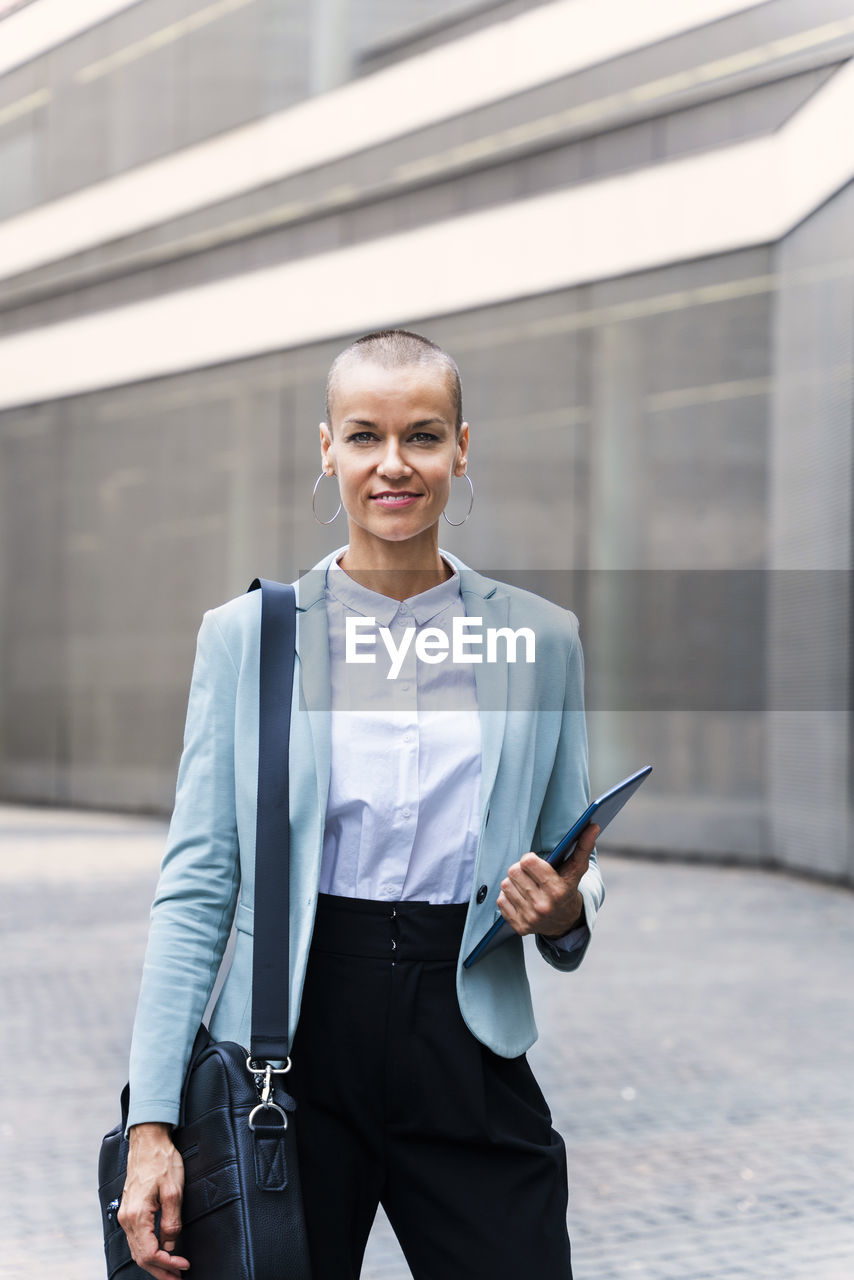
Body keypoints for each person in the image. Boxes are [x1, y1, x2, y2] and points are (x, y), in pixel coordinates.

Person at [119, 329, 604, 1280]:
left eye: (422, 437)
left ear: (462, 448)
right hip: (288, 1049)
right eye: (365, 436)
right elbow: (197, 885)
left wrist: (567, 911)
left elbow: (573, 842)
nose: (394, 465)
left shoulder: (541, 641)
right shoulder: (250, 638)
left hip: (466, 1036)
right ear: (327, 450)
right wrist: (152, 1121)